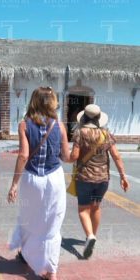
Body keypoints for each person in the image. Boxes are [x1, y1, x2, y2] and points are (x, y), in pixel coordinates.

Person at [7, 87, 70, 280]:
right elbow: (66, 157)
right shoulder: (60, 126)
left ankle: (26, 256)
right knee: (52, 224)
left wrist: (14, 184)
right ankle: (51, 273)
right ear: (52, 102)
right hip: (54, 179)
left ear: (33, 101)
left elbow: (24, 155)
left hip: (32, 180)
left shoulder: (24, 125)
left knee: (29, 220)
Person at [69, 104, 130, 259]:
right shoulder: (105, 133)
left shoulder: (80, 133)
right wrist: (123, 176)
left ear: (83, 118)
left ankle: (90, 236)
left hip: (84, 178)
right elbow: (116, 156)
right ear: (98, 118)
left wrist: (65, 157)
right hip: (102, 179)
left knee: (83, 209)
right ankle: (92, 236)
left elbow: (74, 156)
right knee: (95, 207)